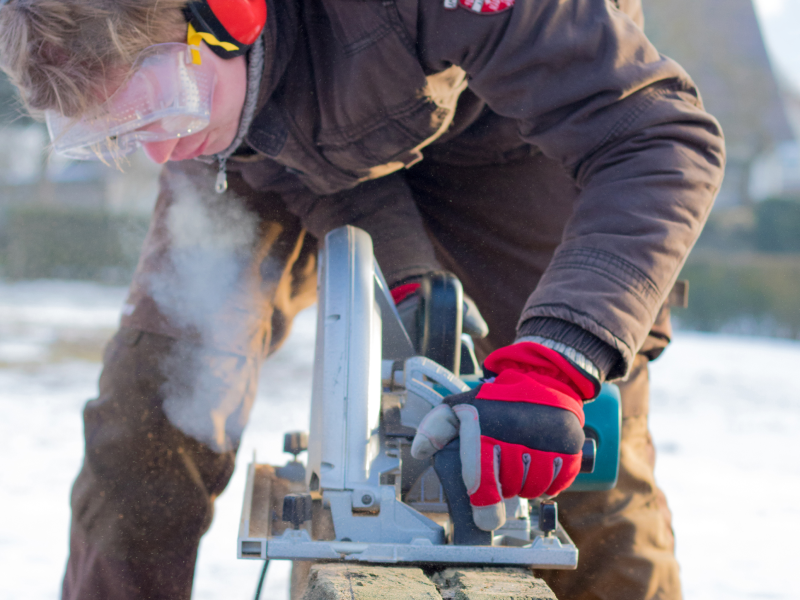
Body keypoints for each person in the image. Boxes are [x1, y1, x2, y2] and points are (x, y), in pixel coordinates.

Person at [0, 0, 724, 598]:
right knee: (150, 417)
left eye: (158, 105)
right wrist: (405, 270)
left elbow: (656, 138)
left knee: (575, 452)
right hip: (277, 139)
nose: (154, 151)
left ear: (229, 14)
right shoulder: (199, 108)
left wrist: (562, 357)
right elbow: (278, 128)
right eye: (119, 130)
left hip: (507, 131)